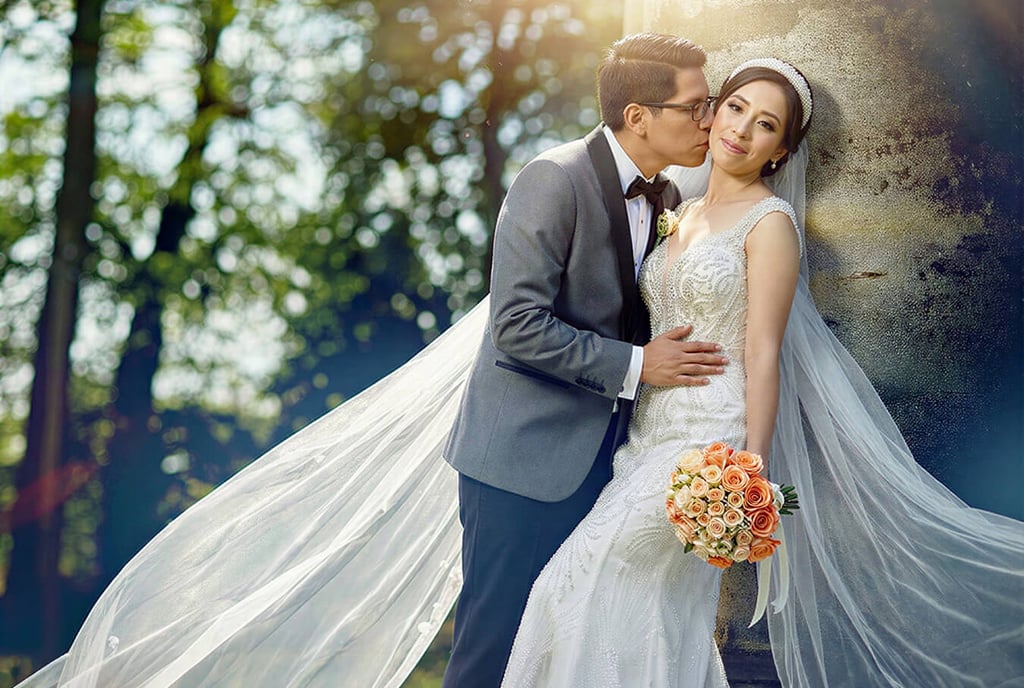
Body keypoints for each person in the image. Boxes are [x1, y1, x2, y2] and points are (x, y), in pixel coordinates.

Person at [499, 58, 1024, 687]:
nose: (743, 129)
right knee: (650, 613)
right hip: (646, 434)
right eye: (736, 107)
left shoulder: (770, 223)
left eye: (767, 125)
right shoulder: (677, 210)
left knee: (577, 581)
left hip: (709, 444)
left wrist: (750, 471)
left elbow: (764, 352)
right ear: (714, 111)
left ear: (780, 152)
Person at [439, 32, 728, 687]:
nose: (708, 121)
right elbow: (516, 324)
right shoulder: (553, 178)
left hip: (612, 467)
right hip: (522, 464)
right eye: (696, 106)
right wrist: (638, 366)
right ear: (638, 116)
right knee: (494, 651)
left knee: (564, 658)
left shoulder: (670, 200)